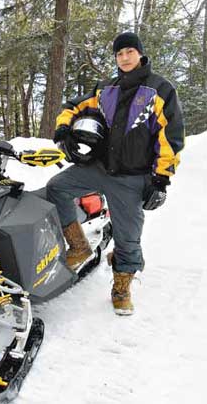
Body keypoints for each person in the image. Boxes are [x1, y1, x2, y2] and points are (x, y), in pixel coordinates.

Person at [48, 32, 185, 315]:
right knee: (56, 187)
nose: (124, 58)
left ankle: (121, 288)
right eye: (119, 54)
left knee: (129, 239)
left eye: (129, 52)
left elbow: (170, 137)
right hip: (98, 168)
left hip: (131, 177)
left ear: (140, 54)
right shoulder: (105, 88)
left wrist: (161, 179)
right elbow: (73, 106)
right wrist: (63, 129)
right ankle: (79, 246)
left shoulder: (159, 90)